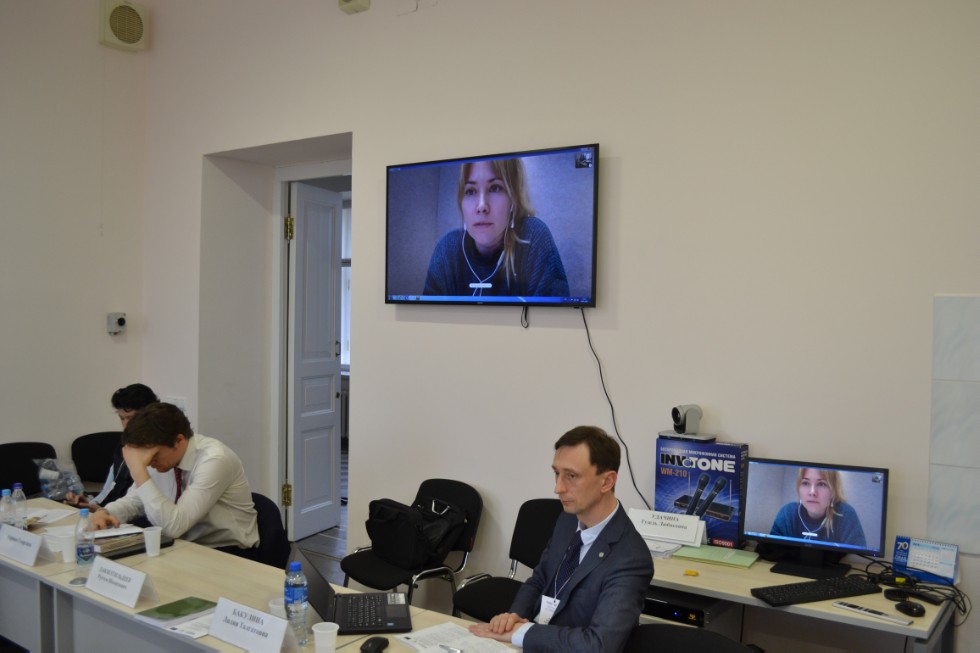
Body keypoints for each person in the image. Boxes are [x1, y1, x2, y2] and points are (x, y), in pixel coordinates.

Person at [469, 426, 654, 652]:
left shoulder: (631, 559)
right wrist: (514, 617)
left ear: (607, 482)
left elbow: (598, 645)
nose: (558, 488)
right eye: (557, 473)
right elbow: (540, 579)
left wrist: (522, 632)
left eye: (572, 476)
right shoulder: (567, 520)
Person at [90, 402, 260, 557]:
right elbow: (135, 501)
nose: (148, 463)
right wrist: (105, 513)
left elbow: (173, 527)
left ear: (178, 440)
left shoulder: (215, 460)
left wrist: (138, 470)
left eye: (153, 455)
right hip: (182, 546)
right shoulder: (159, 455)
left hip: (228, 552)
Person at [423, 158, 570, 298]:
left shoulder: (532, 237)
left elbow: (553, 313)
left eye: (495, 188)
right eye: (470, 191)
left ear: (513, 198)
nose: (482, 206)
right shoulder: (447, 250)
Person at [64, 383, 159, 510]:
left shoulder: (159, 454)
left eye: (131, 418)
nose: (126, 425)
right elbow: (109, 489)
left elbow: (144, 504)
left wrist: (103, 510)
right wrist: (89, 502)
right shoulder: (123, 446)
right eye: (122, 418)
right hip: (110, 511)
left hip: (130, 515)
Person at [770, 468, 867, 547]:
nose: (812, 492)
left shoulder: (845, 514)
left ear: (833, 491)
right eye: (805, 483)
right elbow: (770, 550)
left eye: (822, 484)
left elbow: (857, 557)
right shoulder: (787, 514)